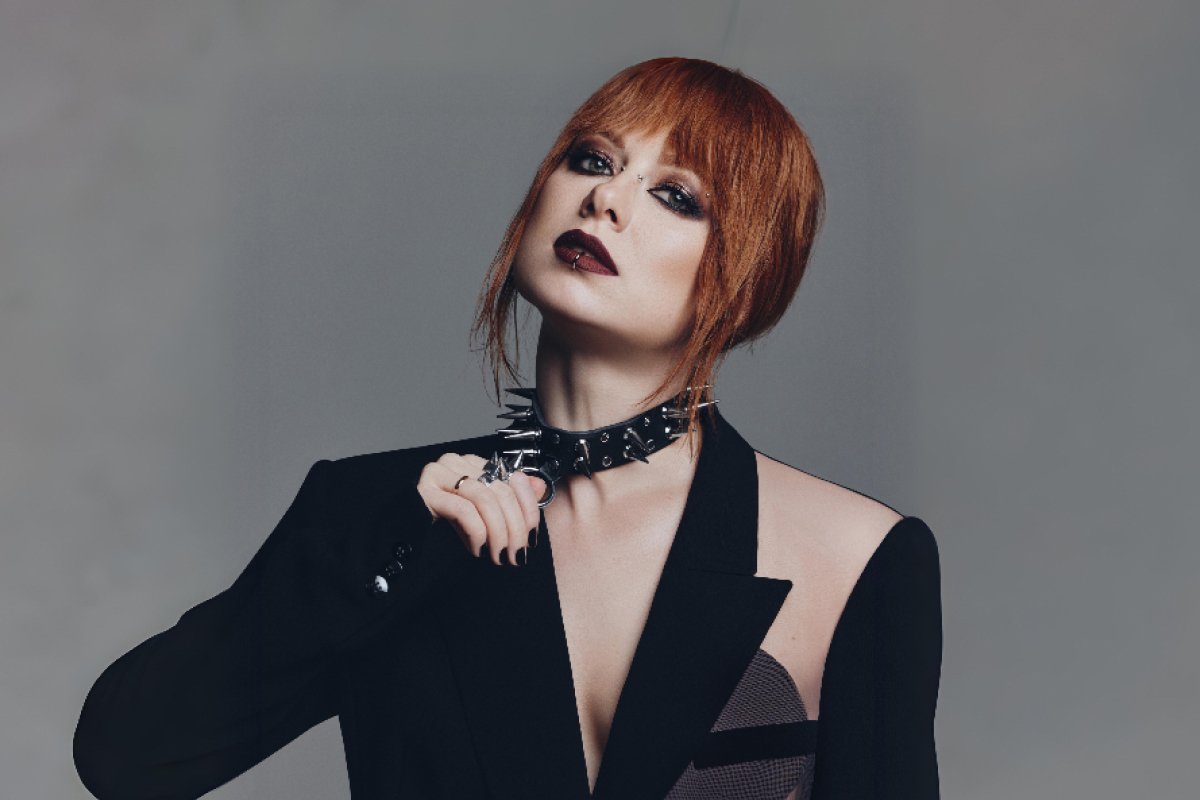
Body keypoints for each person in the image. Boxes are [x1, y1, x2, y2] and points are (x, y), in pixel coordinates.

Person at [73, 57, 942, 800]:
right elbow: (127, 759)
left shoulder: (856, 555)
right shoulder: (377, 513)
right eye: (591, 158)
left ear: (750, 281)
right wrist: (395, 553)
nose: (605, 198)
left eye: (677, 195)